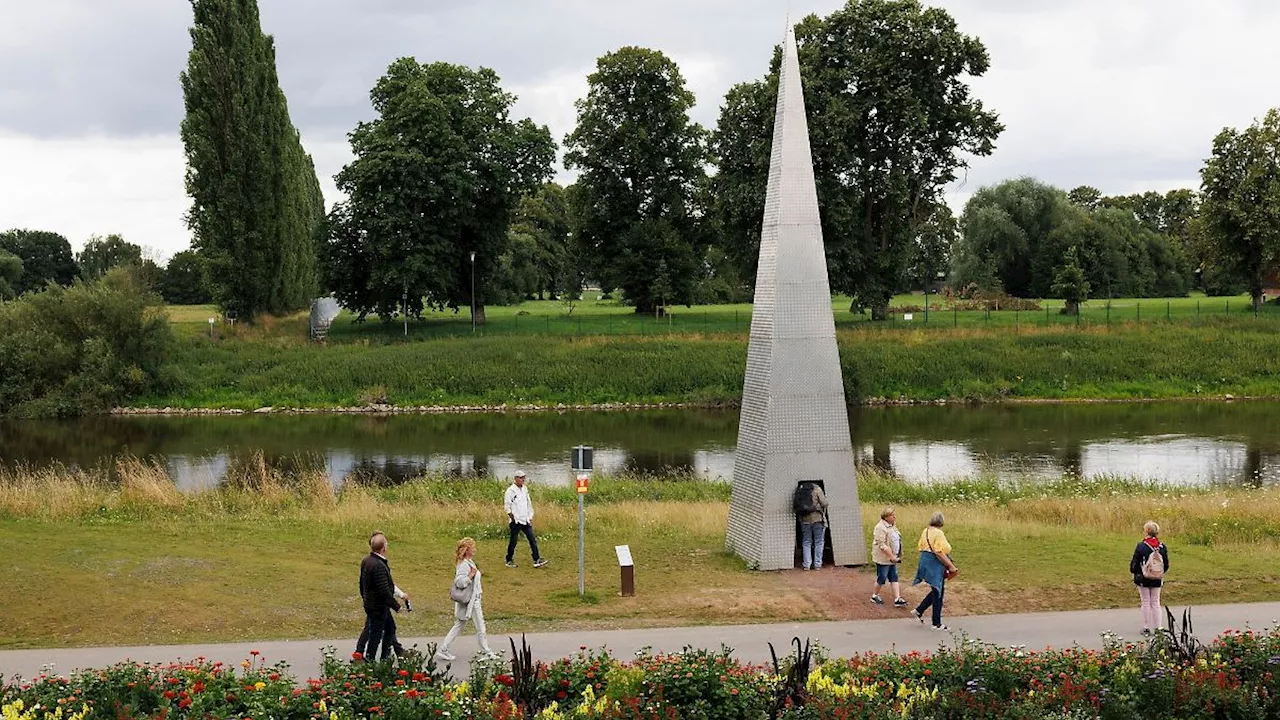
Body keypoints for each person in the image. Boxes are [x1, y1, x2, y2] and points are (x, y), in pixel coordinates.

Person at [437, 537, 498, 661]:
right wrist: (470, 576)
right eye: (472, 548)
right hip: (471, 601)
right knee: (480, 626)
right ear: (466, 550)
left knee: (459, 624)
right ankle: (486, 651)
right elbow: (459, 582)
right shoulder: (464, 565)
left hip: (472, 599)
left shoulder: (469, 562)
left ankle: (443, 649)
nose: (475, 550)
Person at [357, 531, 405, 661]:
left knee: (389, 628)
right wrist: (396, 606)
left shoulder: (367, 561)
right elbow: (384, 590)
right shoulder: (378, 565)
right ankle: (371, 659)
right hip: (378, 606)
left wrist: (365, 598)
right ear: (383, 547)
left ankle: (386, 656)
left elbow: (362, 584)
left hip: (373, 604)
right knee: (375, 634)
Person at [912, 512, 958, 630]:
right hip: (935, 563)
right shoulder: (938, 533)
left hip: (925, 560)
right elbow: (938, 551)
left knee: (937, 590)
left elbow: (920, 546)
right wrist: (950, 565)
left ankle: (919, 610)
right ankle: (936, 623)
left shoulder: (925, 531)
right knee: (938, 592)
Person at [1130, 520, 1170, 635]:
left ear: (1146, 531)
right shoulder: (1162, 547)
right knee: (1156, 602)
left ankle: (1146, 627)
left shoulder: (1141, 546)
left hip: (1143, 578)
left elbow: (1135, 563)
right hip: (1157, 577)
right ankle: (1158, 628)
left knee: (1146, 601)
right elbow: (1166, 564)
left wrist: (1136, 573)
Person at [504, 471, 548, 568]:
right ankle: (509, 560)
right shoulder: (510, 491)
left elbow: (528, 504)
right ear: (515, 478)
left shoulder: (525, 489)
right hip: (516, 520)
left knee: (532, 539)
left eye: (524, 477)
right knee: (513, 541)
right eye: (520, 478)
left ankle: (536, 559)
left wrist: (530, 516)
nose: (523, 480)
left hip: (525, 520)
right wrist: (513, 518)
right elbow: (507, 507)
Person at [871, 507, 906, 607]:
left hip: (892, 557)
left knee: (894, 577)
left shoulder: (892, 526)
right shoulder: (880, 527)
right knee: (882, 577)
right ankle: (874, 595)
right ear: (886, 517)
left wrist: (897, 554)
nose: (894, 517)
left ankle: (897, 598)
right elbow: (882, 545)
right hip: (883, 559)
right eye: (892, 515)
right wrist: (891, 556)